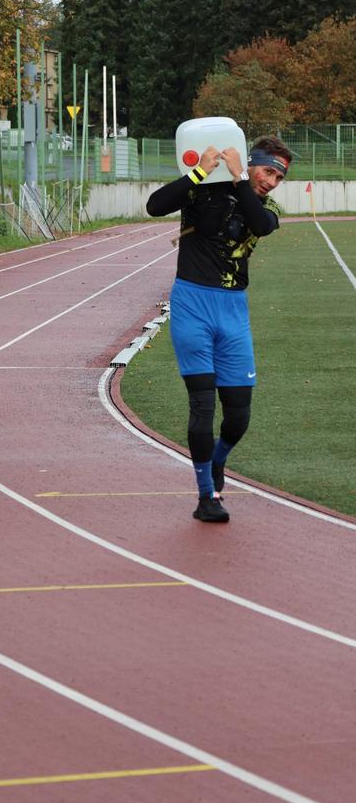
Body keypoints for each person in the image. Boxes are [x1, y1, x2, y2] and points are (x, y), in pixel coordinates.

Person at [146, 136, 293, 523]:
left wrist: (241, 179)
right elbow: (155, 206)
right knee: (202, 406)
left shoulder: (265, 204)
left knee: (239, 415)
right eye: (268, 172)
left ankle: (218, 461)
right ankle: (206, 496)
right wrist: (199, 172)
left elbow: (260, 225)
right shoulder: (202, 189)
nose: (272, 182)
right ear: (252, 162)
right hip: (193, 303)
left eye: (279, 177)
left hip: (233, 311)